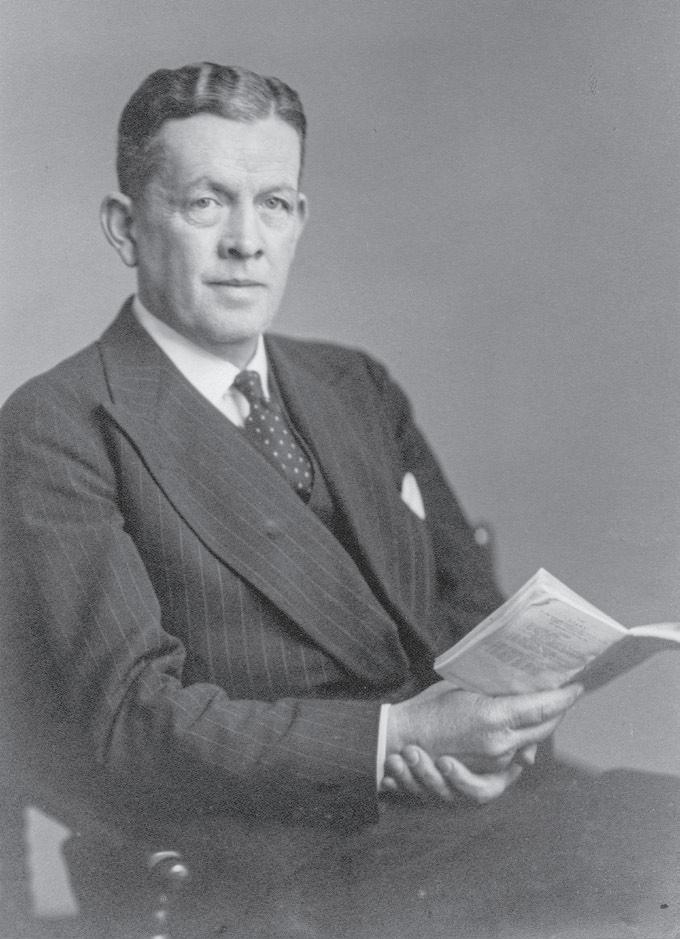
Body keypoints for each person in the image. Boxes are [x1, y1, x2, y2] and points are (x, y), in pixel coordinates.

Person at [0, 62, 581, 934]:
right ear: (126, 227)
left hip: (469, 802)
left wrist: (502, 735)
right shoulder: (60, 422)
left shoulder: (356, 385)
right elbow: (134, 717)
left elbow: (472, 611)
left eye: (272, 203)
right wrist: (398, 738)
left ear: (299, 219)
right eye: (206, 202)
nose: (247, 241)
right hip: (277, 857)